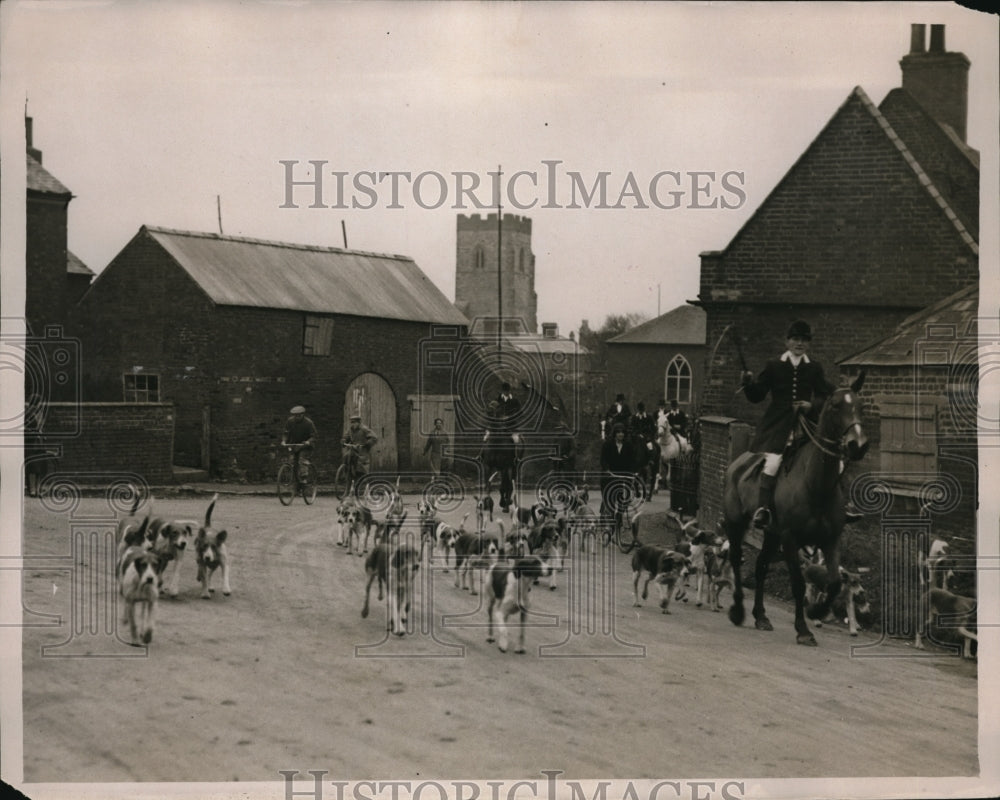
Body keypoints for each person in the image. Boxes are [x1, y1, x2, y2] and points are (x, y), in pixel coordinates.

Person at [741, 320, 858, 529]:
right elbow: (757, 395)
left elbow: (827, 395)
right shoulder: (774, 365)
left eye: (804, 340)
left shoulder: (814, 367)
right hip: (777, 425)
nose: (799, 343)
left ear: (808, 344)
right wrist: (748, 383)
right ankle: (763, 509)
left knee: (835, 461)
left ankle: (842, 505)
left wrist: (810, 406)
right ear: (787, 341)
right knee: (774, 462)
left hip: (807, 426)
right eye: (795, 339)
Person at [483, 382, 521, 512]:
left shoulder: (515, 401)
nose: (505, 392)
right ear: (502, 390)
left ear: (509, 390)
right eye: (504, 390)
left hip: (511, 426)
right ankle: (481, 454)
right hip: (497, 426)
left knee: (516, 440)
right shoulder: (497, 400)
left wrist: (509, 418)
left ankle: (516, 457)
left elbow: (519, 414)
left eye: (507, 390)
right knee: (486, 438)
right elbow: (491, 412)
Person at [599, 422, 637, 518]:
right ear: (614, 433)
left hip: (623, 475)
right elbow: (603, 459)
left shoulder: (629, 445)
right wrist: (607, 469)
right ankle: (607, 510)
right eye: (618, 432)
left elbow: (632, 461)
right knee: (609, 495)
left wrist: (632, 472)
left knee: (625, 495)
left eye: (622, 432)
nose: (621, 434)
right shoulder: (607, 444)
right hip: (610, 474)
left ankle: (620, 513)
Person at [281, 404, 316, 484]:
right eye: (295, 415)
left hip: (305, 446)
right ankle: (295, 482)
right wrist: (284, 441)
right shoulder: (290, 421)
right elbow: (286, 433)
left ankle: (304, 478)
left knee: (301, 459)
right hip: (294, 445)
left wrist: (308, 441)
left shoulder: (308, 423)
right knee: (292, 461)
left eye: (299, 415)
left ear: (303, 415)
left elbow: (314, 436)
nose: (297, 417)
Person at [342, 412, 378, 484]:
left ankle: (362, 481)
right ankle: (346, 473)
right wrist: (343, 441)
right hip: (353, 449)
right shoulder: (350, 430)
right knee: (346, 457)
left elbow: (374, 438)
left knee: (360, 464)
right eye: (351, 423)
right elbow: (346, 437)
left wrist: (367, 444)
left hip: (362, 451)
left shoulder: (364, 429)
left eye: (354, 423)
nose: (353, 424)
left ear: (359, 423)